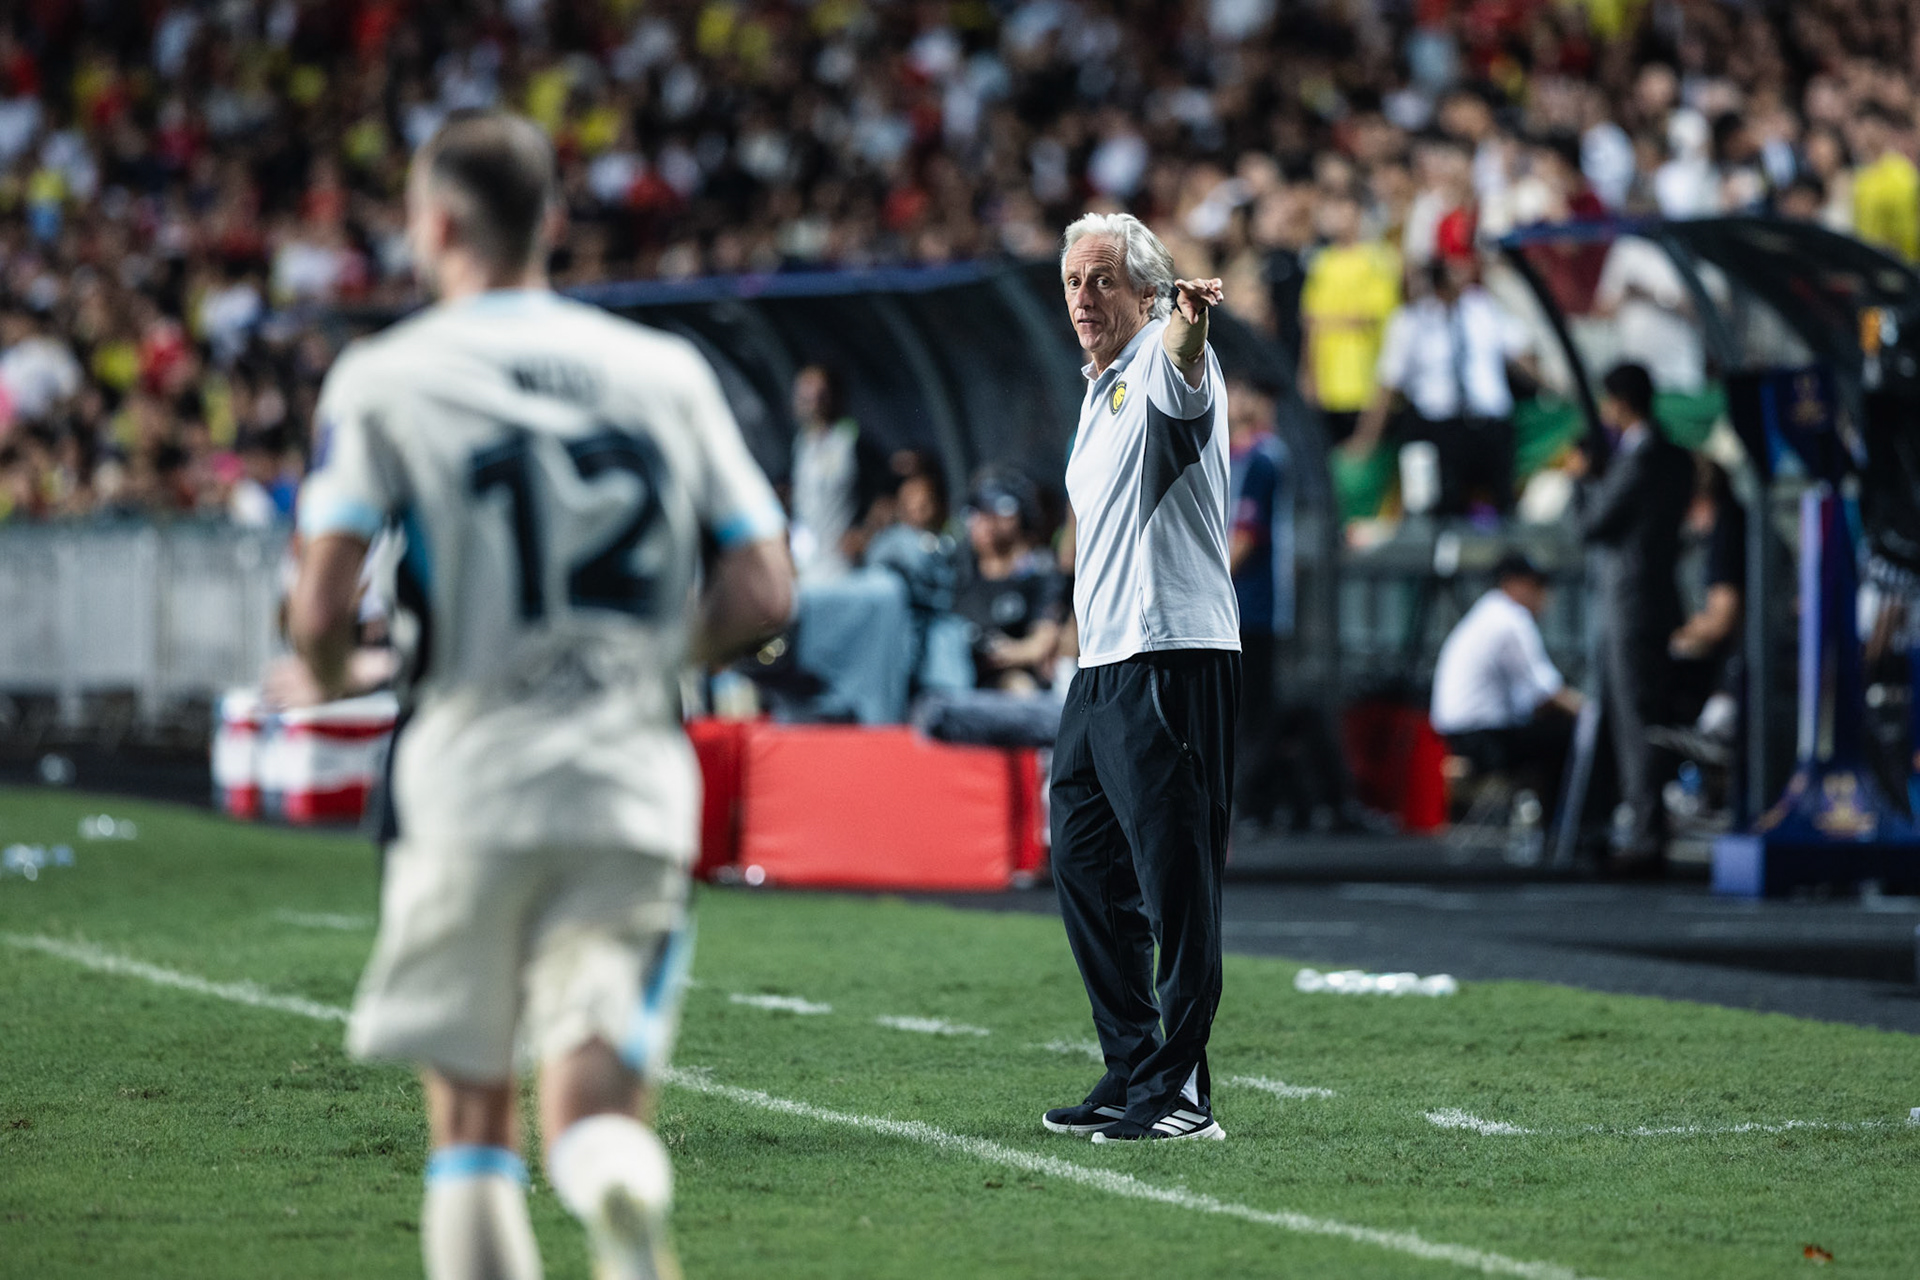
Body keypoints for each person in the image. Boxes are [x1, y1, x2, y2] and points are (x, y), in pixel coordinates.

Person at [285, 111, 793, 1280]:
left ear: (438, 224)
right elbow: (766, 586)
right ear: (552, 224)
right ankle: (613, 1173)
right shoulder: (664, 370)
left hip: (463, 775)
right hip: (627, 773)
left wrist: (331, 674)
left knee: (469, 1125)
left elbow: (319, 612)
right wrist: (652, 653)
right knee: (596, 1097)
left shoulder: (387, 374)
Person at [1045, 211, 1240, 1144]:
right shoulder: (1098, 392)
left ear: (1147, 293)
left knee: (1175, 882)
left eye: (1102, 281)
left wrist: (1191, 317)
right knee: (1085, 869)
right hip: (1100, 664)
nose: (1084, 298)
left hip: (1172, 651)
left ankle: (1186, 1095)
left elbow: (1187, 356)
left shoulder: (1164, 361)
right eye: (1074, 282)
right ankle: (1132, 1069)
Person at [1571, 362, 1693, 874]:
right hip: (1660, 597)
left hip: (1630, 604)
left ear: (1620, 404)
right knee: (1644, 716)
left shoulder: (1638, 461)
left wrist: (1581, 482)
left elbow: (1592, 525)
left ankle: (1645, 837)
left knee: (1634, 719)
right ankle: (1639, 825)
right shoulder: (1676, 458)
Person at [1353, 256, 1535, 518]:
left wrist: (1559, 392)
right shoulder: (1411, 321)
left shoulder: (1483, 309)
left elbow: (1521, 354)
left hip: (1490, 425)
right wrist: (1366, 438)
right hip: (1440, 429)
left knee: (1504, 504)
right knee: (1443, 508)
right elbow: (1388, 383)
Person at [1429, 551, 1583, 816]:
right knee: (1573, 737)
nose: (1545, 596)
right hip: (1478, 737)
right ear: (1513, 584)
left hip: (1455, 733)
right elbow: (1546, 691)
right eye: (1537, 586)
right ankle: (1565, 829)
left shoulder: (1486, 613)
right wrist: (1591, 712)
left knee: (1551, 734)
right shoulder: (1509, 618)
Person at [1226, 379, 1294, 827]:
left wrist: (1203, 582)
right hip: (1236, 603)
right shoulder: (1228, 453)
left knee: (1251, 710)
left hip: (1252, 604)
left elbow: (1246, 535)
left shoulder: (1263, 458)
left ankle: (1253, 804)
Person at [1298, 190, 1400, 446]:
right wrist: (1308, 374)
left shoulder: (1379, 259)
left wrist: (1326, 322)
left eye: (1342, 208)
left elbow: (1369, 317)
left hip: (1364, 382)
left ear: (1358, 214)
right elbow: (1309, 323)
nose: (1335, 217)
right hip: (1327, 385)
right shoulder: (1321, 261)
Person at [953, 468, 1065, 692]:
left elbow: (1041, 644)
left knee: (1019, 687)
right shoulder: (956, 572)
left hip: (1011, 681)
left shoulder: (1039, 573)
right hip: (954, 678)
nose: (984, 520)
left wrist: (1003, 651)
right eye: (976, 511)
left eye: (998, 508)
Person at [787, 362, 892, 585]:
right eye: (804, 392)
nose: (810, 400)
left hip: (842, 567)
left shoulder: (850, 441)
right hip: (806, 564)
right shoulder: (800, 445)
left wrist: (865, 532)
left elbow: (887, 491)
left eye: (818, 393)